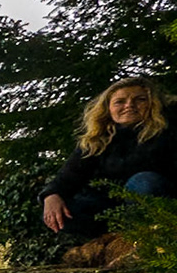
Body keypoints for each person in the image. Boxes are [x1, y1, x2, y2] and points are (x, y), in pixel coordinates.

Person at [41, 76, 174, 237]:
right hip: (111, 207)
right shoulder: (98, 140)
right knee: (61, 210)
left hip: (159, 200)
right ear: (108, 109)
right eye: (120, 102)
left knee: (143, 181)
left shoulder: (168, 131)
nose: (129, 105)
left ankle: (144, 236)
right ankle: (116, 237)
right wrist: (51, 195)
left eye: (139, 100)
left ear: (153, 105)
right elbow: (68, 177)